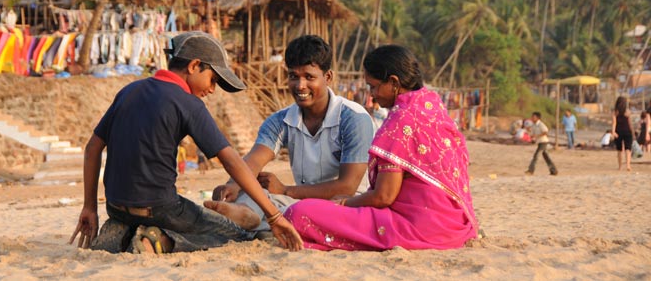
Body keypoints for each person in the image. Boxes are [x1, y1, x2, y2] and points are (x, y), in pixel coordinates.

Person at [69, 31, 302, 254]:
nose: (212, 89)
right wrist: (273, 215)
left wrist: (89, 206)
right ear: (193, 66)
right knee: (238, 235)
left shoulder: (129, 91)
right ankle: (159, 240)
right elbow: (231, 162)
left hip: (115, 206)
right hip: (160, 209)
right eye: (213, 79)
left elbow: (92, 149)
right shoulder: (188, 103)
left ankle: (122, 230)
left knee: (157, 215)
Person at [283, 44, 479, 250]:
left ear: (394, 82)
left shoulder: (400, 121)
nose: (372, 95)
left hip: (418, 227)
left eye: (373, 86)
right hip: (455, 224)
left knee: (298, 213)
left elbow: (383, 196)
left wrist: (345, 203)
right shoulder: (432, 106)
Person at [208, 35, 375, 233]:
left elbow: (347, 187)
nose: (300, 85)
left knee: (291, 210)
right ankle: (244, 213)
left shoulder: (353, 118)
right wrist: (233, 185)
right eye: (293, 76)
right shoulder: (281, 120)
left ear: (328, 77)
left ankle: (250, 219)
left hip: (348, 205)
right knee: (254, 190)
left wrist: (286, 190)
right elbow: (254, 160)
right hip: (302, 201)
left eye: (309, 77)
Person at [611, 96, 633, 171]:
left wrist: (613, 132)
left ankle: (620, 166)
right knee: (628, 149)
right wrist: (632, 131)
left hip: (618, 132)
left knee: (619, 150)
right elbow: (630, 123)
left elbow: (614, 123)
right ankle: (628, 165)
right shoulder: (627, 111)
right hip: (627, 131)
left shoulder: (615, 112)